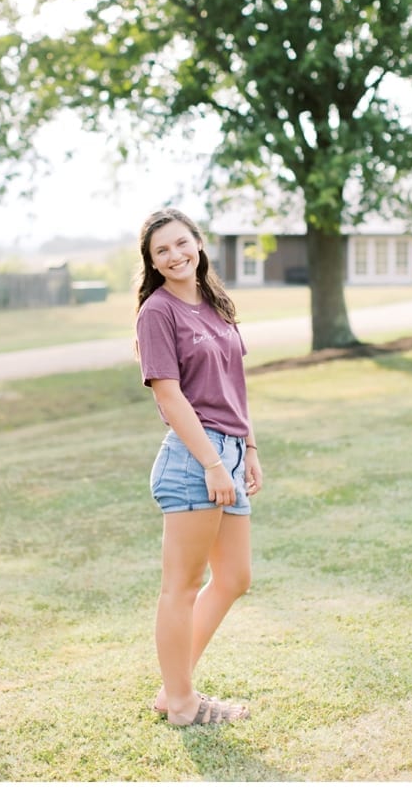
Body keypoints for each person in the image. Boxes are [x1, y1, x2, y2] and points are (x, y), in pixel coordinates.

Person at [134, 207, 262, 726]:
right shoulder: (157, 313)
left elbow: (235, 383)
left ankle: (175, 689)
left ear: (199, 242)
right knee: (181, 587)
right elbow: (169, 395)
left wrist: (249, 448)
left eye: (182, 243)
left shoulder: (216, 304)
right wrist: (212, 462)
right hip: (195, 458)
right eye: (161, 250)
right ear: (152, 261)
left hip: (229, 450)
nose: (175, 255)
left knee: (233, 577)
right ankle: (182, 704)